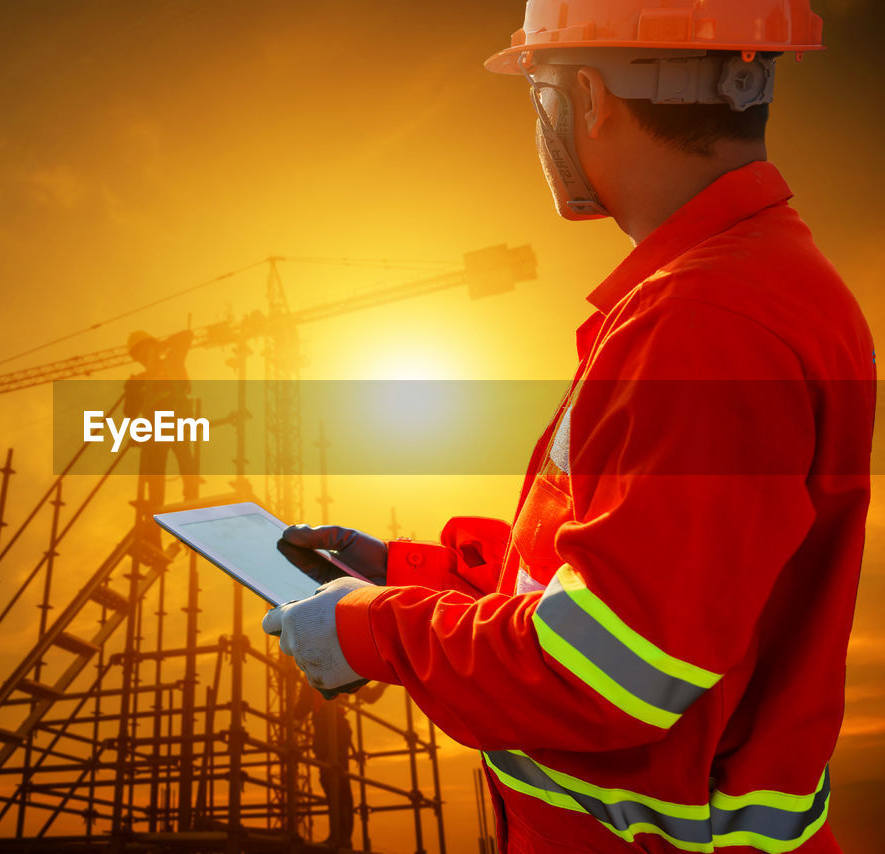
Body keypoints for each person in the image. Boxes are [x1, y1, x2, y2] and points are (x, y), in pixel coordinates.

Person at [262, 2, 875, 852]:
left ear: (586, 96)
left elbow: (607, 674)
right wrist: (408, 574)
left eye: (540, 91)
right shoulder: (758, 283)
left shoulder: (705, 323)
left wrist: (372, 630)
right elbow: (641, 596)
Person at [292, 680, 389, 850]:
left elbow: (299, 712)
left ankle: (341, 836)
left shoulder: (323, 673)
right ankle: (339, 835)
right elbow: (300, 711)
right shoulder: (334, 672)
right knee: (333, 783)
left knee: (337, 783)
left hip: (333, 733)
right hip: (326, 734)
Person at [124, 329, 201, 512]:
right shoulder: (139, 380)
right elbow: (129, 412)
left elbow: (186, 336)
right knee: (155, 473)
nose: (142, 357)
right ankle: (155, 517)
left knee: (185, 462)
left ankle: (191, 503)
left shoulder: (171, 363)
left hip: (177, 421)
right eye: (138, 355)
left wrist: (161, 345)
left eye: (144, 351)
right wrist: (132, 390)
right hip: (155, 429)